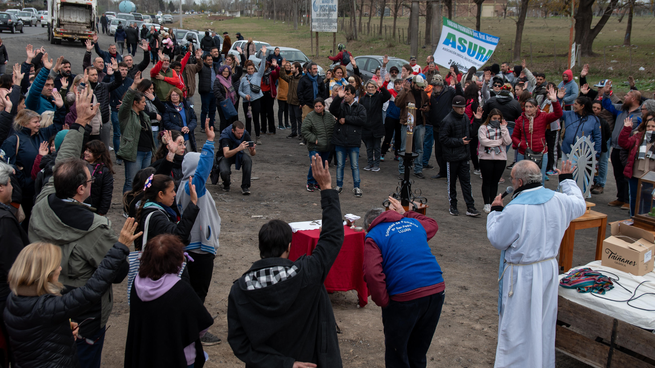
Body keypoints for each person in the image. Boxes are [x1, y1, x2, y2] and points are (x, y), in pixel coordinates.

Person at [28, 88, 130, 368]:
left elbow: (63, 162)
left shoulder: (43, 202)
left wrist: (80, 123)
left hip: (42, 299)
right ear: (82, 189)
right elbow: (118, 272)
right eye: (88, 179)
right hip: (83, 312)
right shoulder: (95, 227)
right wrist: (120, 247)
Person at [228, 154, 344, 367]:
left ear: (260, 248)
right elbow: (332, 237)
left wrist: (283, 363)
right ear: (289, 248)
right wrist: (327, 188)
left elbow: (239, 343)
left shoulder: (240, 290)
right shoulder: (307, 274)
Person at [487, 159, 586, 368]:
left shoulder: (516, 209)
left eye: (512, 179)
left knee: (518, 327)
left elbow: (497, 239)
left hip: (522, 275)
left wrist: (495, 212)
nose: (512, 183)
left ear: (520, 182)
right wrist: (567, 180)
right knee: (541, 322)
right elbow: (579, 204)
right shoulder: (560, 200)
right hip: (547, 269)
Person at [5, 222, 137, 368]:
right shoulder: (45, 308)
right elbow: (90, 292)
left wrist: (61, 332)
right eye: (56, 266)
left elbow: (37, 335)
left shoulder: (14, 299)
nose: (60, 269)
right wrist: (120, 247)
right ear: (45, 273)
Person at [362, 196, 444, 368]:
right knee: (418, 353)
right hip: (436, 289)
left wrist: (384, 301)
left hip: (405, 296)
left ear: (368, 226)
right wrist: (405, 213)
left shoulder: (374, 236)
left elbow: (372, 273)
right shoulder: (413, 224)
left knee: (397, 356)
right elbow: (432, 223)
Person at [124, 234, 214, 367]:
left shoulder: (136, 284)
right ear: (177, 259)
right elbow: (202, 324)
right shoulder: (181, 289)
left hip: (143, 355)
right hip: (177, 357)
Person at [0, 161, 28, 364]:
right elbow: (15, 265)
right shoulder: (4, 221)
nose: (12, 187)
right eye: (10, 183)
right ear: (1, 187)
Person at [511, 87, 563, 182]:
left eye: (531, 107)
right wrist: (520, 144)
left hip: (541, 153)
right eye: (526, 106)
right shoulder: (520, 119)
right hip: (524, 153)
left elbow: (558, 114)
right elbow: (514, 136)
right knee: (522, 180)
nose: (528, 109)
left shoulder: (543, 116)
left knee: (540, 180)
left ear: (536, 107)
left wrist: (555, 101)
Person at [440, 95, 481, 217]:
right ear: (454, 107)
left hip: (464, 156)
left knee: (466, 183)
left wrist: (477, 120)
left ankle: (470, 207)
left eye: (463, 107)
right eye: (459, 107)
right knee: (451, 183)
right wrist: (459, 141)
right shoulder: (447, 121)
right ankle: (453, 205)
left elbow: (471, 134)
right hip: (452, 158)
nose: (462, 110)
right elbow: (442, 139)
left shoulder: (466, 118)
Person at [134, 174, 199, 247]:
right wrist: (193, 202)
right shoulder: (156, 218)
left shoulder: (150, 209)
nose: (174, 194)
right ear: (161, 194)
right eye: (172, 191)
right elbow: (179, 237)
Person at [604, 86, 642, 210]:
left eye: (627, 96)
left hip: (628, 149)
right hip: (616, 147)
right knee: (618, 174)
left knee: (627, 176)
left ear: (634, 99)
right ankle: (620, 198)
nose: (624, 98)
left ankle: (628, 200)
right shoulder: (621, 109)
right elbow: (607, 105)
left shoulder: (641, 115)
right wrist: (606, 93)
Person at [117, 72, 156, 193]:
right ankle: (127, 208)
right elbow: (127, 100)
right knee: (132, 181)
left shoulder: (144, 116)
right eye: (143, 102)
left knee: (146, 181)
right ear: (136, 103)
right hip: (135, 152)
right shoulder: (126, 116)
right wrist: (134, 85)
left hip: (147, 152)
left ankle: (140, 205)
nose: (145, 104)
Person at [329, 84, 366, 197]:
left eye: (348, 94)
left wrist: (347, 119)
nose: (346, 96)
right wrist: (338, 97)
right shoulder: (341, 106)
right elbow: (332, 110)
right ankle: (339, 185)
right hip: (340, 140)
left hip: (353, 141)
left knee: (354, 165)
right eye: (345, 94)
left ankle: (357, 187)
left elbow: (363, 120)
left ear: (354, 95)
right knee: (340, 165)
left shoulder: (360, 108)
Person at [618, 112, 655, 216]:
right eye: (648, 126)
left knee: (650, 202)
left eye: (653, 126)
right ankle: (633, 219)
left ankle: (648, 222)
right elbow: (623, 143)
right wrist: (626, 129)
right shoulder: (638, 136)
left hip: (651, 177)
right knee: (634, 199)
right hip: (636, 175)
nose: (650, 128)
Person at [428, 74, 463, 178]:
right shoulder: (433, 96)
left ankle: (451, 173)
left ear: (441, 85)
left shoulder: (450, 92)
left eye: (436, 85)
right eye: (433, 85)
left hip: (447, 127)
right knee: (438, 151)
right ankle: (442, 171)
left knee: (448, 151)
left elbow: (460, 95)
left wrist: (458, 84)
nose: (434, 87)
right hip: (436, 127)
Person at [395, 75, 430, 179]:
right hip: (407, 124)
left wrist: (426, 108)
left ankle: (418, 169)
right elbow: (397, 103)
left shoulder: (423, 93)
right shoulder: (406, 91)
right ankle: (402, 170)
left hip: (420, 123)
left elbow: (428, 104)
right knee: (404, 147)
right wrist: (404, 91)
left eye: (421, 86)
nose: (419, 88)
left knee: (419, 148)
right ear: (413, 84)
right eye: (418, 86)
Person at [478, 109, 512, 213]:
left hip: (500, 158)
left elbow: (507, 141)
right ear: (490, 118)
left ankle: (493, 201)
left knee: (495, 182)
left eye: (498, 119)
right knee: (486, 181)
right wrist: (498, 142)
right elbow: (483, 141)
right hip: (485, 158)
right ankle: (486, 203)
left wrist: (503, 128)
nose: (496, 120)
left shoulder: (503, 128)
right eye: (494, 118)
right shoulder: (483, 128)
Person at [302, 98, 336, 191]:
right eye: (316, 106)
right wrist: (314, 139)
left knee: (323, 166)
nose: (318, 108)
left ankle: (318, 183)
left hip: (327, 146)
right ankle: (310, 182)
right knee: (315, 164)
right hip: (315, 147)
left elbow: (334, 127)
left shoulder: (329, 116)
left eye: (320, 106)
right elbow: (304, 130)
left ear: (324, 106)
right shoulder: (310, 116)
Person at [360, 79, 391, 172]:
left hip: (377, 126)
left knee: (377, 147)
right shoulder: (363, 99)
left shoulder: (379, 97)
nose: (370, 89)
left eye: (372, 87)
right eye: (368, 87)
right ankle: (370, 163)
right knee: (369, 147)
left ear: (375, 88)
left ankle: (377, 164)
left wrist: (382, 87)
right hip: (366, 127)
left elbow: (388, 95)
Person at [217, 121, 256, 194]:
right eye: (238, 133)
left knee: (247, 160)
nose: (240, 135)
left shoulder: (245, 133)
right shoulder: (226, 135)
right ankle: (226, 184)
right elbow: (226, 154)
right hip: (226, 155)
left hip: (239, 154)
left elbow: (253, 154)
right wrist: (239, 148)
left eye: (242, 133)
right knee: (225, 171)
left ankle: (245, 186)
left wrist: (252, 150)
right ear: (233, 131)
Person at [238, 55, 267, 144]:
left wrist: (264, 56)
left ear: (254, 68)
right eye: (248, 69)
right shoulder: (243, 79)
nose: (250, 70)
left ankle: (258, 136)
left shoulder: (258, 75)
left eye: (251, 68)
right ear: (246, 69)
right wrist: (245, 95)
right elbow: (239, 91)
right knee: (248, 120)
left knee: (256, 118)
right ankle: (247, 137)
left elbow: (262, 66)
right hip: (246, 102)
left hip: (256, 100)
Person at [82, 140, 114, 216]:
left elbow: (107, 192)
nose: (86, 153)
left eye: (90, 151)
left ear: (98, 155)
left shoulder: (104, 171)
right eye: (86, 150)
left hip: (93, 208)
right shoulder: (79, 165)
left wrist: (102, 210)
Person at [162, 87, 198, 152]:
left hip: (188, 137)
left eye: (177, 95)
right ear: (170, 96)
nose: (175, 97)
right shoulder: (167, 108)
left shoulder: (187, 107)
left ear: (180, 96)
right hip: (175, 138)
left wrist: (188, 128)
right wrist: (180, 129)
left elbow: (194, 119)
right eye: (173, 95)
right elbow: (167, 123)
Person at [590, 101, 612, 195]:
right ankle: (593, 182)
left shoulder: (603, 122)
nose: (595, 109)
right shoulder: (588, 119)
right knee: (592, 165)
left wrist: (601, 146)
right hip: (590, 146)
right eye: (594, 107)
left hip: (602, 146)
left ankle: (600, 184)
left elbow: (607, 135)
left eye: (598, 108)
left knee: (602, 164)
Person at [214, 63, 242, 132]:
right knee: (223, 120)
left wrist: (238, 64)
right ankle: (223, 136)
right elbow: (216, 91)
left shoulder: (230, 78)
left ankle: (228, 135)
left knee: (230, 121)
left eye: (227, 71)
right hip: (222, 103)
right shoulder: (218, 80)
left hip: (230, 103)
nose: (225, 73)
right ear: (221, 72)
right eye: (224, 71)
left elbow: (239, 74)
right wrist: (224, 100)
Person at [280, 61, 303, 139]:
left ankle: (300, 133)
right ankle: (294, 132)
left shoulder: (301, 79)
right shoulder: (291, 78)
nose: (290, 68)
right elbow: (282, 75)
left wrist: (301, 102)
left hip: (297, 102)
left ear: (297, 68)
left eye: (292, 67)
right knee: (292, 118)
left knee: (299, 118)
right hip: (290, 101)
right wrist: (282, 67)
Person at [197, 52, 220, 130]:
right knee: (204, 110)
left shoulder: (214, 67)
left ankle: (211, 126)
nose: (210, 61)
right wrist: (198, 58)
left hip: (214, 92)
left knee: (213, 110)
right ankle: (203, 127)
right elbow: (198, 64)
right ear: (204, 60)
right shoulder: (202, 67)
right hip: (206, 92)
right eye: (208, 60)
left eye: (211, 59)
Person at [259, 58, 280, 135]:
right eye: (262, 66)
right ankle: (263, 129)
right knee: (262, 112)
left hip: (268, 94)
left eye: (265, 66)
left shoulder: (271, 73)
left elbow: (278, 74)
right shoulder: (259, 74)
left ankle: (271, 129)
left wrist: (276, 66)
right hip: (261, 94)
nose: (264, 67)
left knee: (270, 112)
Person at [276, 60, 290, 130]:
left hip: (288, 96)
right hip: (281, 95)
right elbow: (278, 72)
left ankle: (287, 123)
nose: (288, 67)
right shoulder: (281, 74)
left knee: (287, 111)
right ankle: (280, 124)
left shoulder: (291, 75)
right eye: (286, 65)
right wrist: (281, 66)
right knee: (281, 110)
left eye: (289, 66)